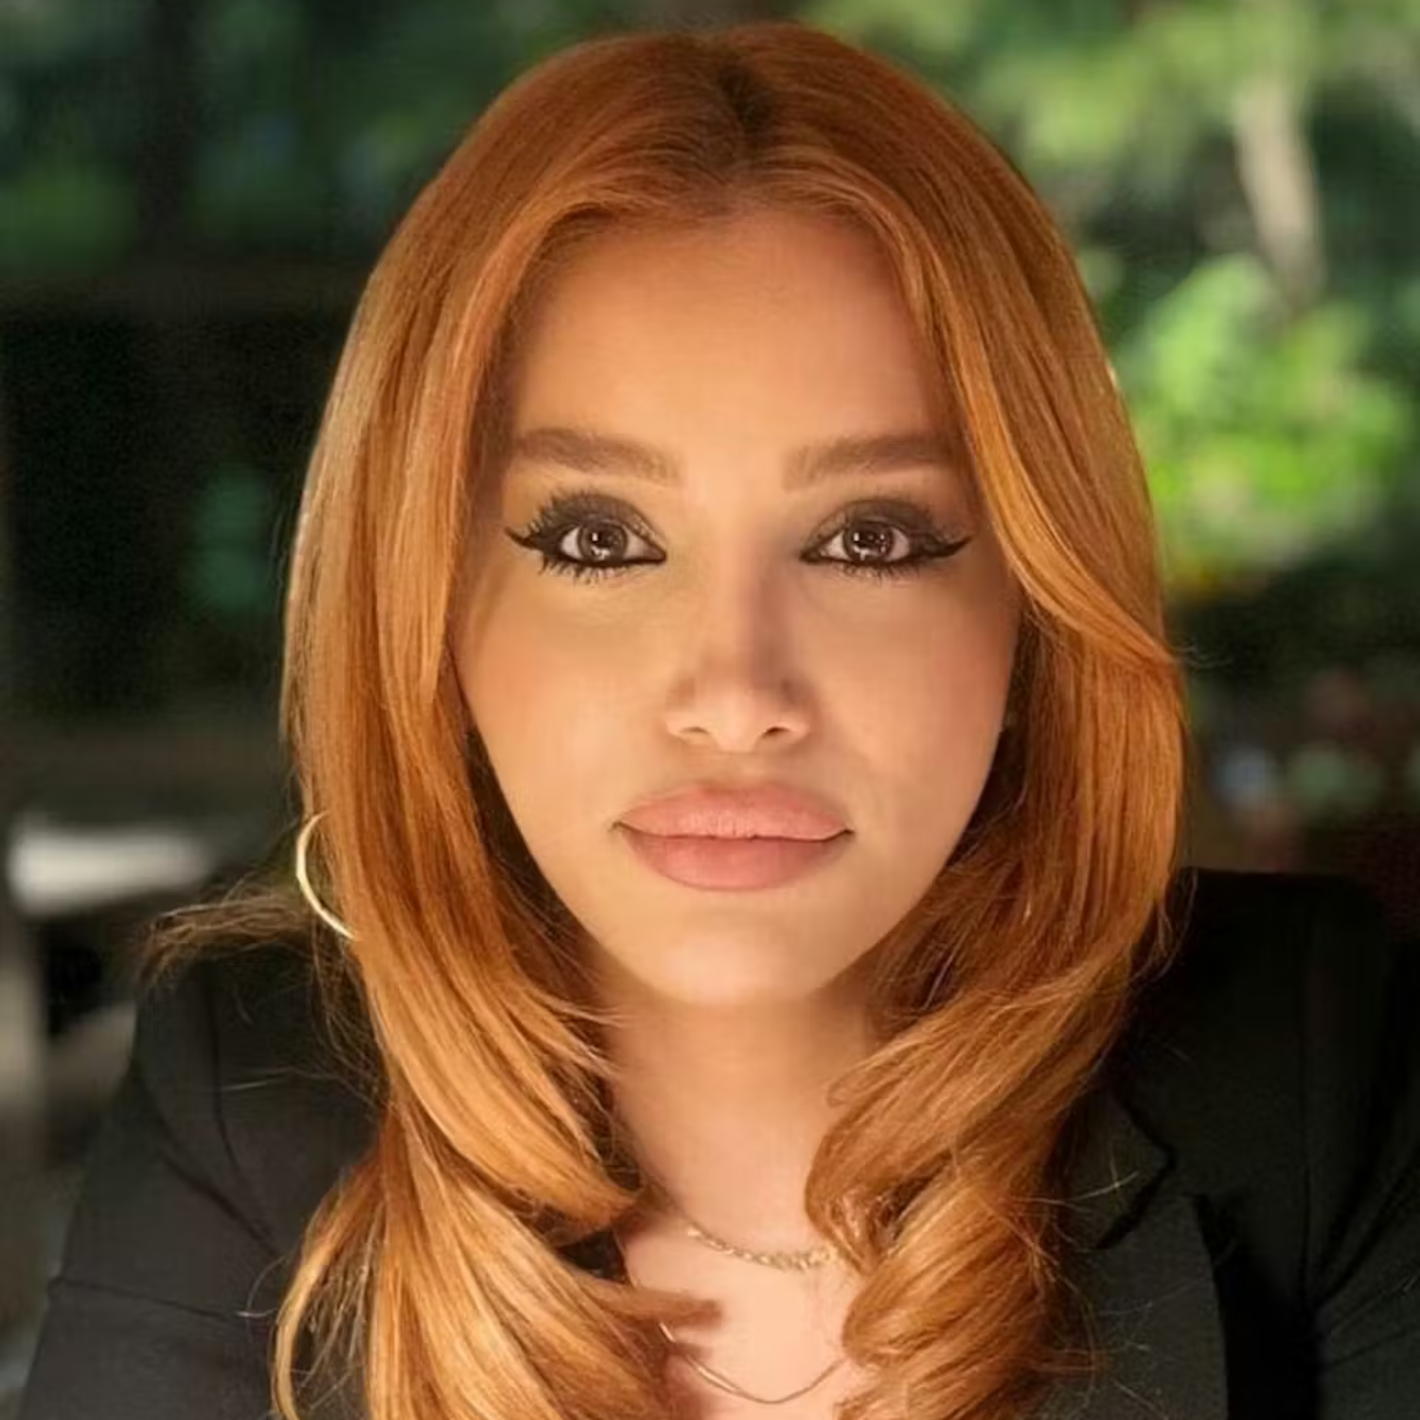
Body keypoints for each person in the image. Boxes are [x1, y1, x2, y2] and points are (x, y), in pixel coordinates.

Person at [17, 19, 1420, 1420]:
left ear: (1034, 613)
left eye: (869, 540)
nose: (738, 699)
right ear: (426, 608)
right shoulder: (248, 1090)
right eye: (600, 540)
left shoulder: (1315, 1061)